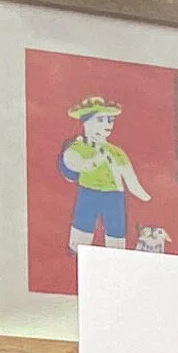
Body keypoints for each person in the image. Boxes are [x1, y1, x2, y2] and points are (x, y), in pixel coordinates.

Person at [58, 98, 152, 253]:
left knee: (116, 228)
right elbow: (73, 163)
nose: (107, 124)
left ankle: (115, 254)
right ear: (86, 122)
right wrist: (95, 160)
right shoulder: (78, 146)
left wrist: (146, 197)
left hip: (114, 195)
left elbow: (130, 178)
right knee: (83, 225)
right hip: (89, 192)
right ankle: (76, 252)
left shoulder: (117, 152)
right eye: (100, 119)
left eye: (110, 120)